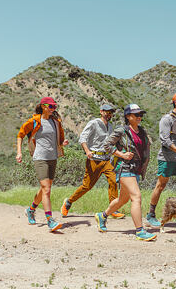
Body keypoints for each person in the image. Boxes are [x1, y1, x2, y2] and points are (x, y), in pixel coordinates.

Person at [94, 103, 156, 241]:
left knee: (123, 200)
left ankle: (102, 216)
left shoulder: (142, 131)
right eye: (137, 115)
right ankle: (140, 231)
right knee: (136, 197)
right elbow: (106, 145)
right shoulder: (121, 131)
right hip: (124, 167)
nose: (140, 117)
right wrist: (121, 155)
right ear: (128, 116)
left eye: (141, 115)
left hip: (136, 169)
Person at [60, 103, 124, 219]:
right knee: (87, 186)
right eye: (107, 112)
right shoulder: (94, 123)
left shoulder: (110, 126)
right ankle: (68, 202)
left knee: (114, 181)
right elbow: (82, 138)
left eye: (111, 112)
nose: (109, 114)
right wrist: (87, 151)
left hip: (106, 159)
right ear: (101, 111)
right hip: (94, 159)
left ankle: (113, 209)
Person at [16, 97, 69, 232]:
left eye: (54, 107)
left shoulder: (56, 122)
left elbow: (60, 138)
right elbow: (20, 135)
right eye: (50, 106)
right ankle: (50, 220)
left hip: (53, 157)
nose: (53, 109)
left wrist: (63, 143)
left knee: (46, 187)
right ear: (43, 106)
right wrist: (19, 152)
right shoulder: (35, 121)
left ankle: (31, 210)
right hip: (40, 158)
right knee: (46, 189)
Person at [145, 92, 176, 228]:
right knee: (160, 186)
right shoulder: (166, 119)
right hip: (167, 159)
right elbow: (165, 141)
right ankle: (150, 214)